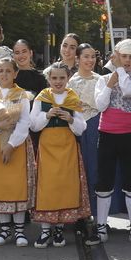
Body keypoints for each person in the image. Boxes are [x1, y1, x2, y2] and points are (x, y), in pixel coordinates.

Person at [92, 39, 131, 245]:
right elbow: (100, 105)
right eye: (123, 56)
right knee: (104, 181)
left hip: (129, 136)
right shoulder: (103, 79)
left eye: (130, 57)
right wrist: (109, 83)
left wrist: (121, 74)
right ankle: (100, 227)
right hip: (107, 135)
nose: (126, 60)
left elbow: (129, 91)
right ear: (116, 57)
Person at [29, 63, 91, 247]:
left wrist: (71, 119)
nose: (58, 82)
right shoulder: (42, 97)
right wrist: (47, 116)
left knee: (64, 185)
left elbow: (81, 128)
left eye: (61, 78)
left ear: (67, 78)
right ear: (48, 79)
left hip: (67, 146)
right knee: (47, 186)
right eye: (54, 78)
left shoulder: (72, 97)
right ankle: (45, 229)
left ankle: (59, 229)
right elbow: (33, 125)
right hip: (47, 146)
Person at [0, 57, 37, 246]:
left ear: (15, 73)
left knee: (16, 184)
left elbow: (24, 122)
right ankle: (4, 230)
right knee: (0, 185)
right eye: (1, 71)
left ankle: (19, 231)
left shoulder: (21, 96)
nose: (4, 74)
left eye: (8, 71)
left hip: (17, 146)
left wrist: (11, 144)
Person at [68, 43, 103, 210]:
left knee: (96, 168)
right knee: (79, 169)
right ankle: (80, 210)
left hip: (98, 125)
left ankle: (97, 213)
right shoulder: (71, 82)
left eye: (92, 57)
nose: (90, 60)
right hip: (78, 126)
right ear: (78, 59)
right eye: (86, 57)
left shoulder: (100, 79)